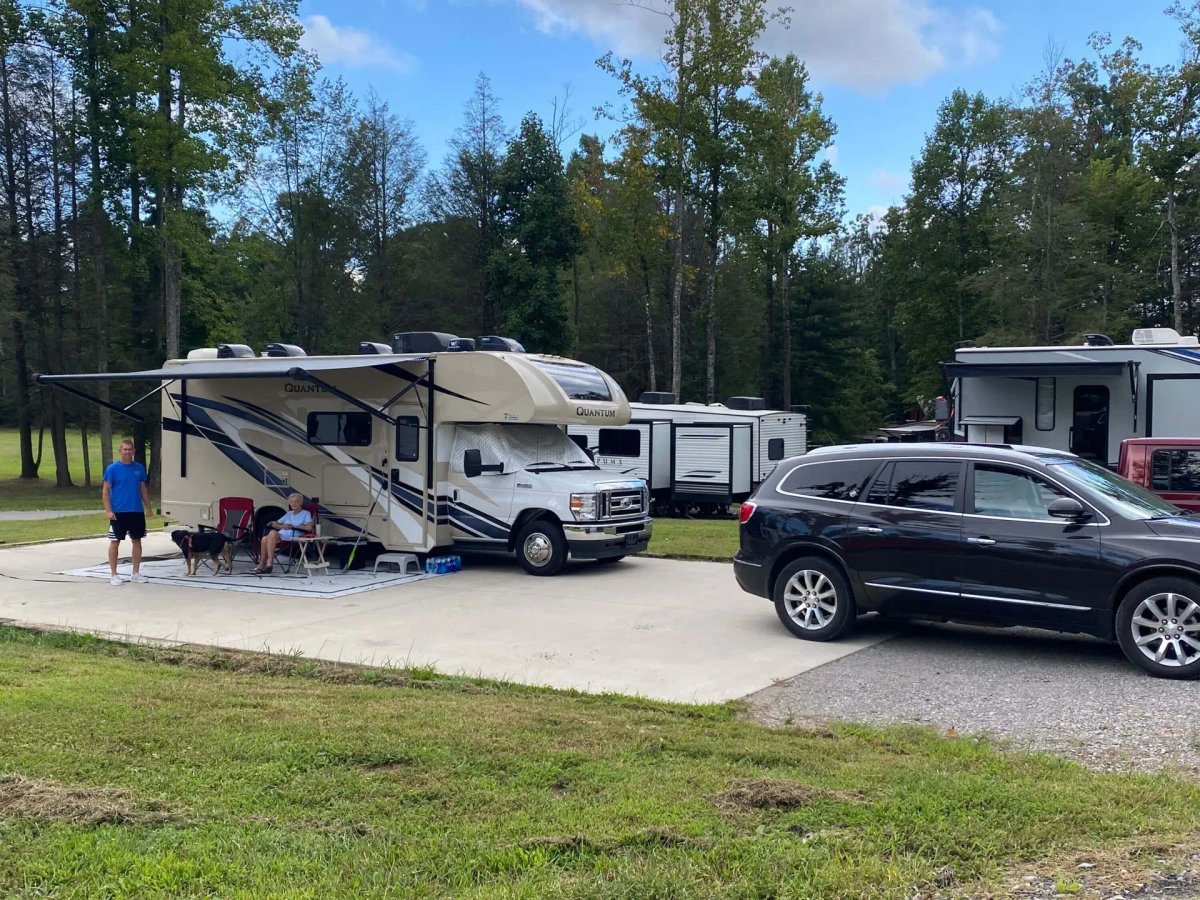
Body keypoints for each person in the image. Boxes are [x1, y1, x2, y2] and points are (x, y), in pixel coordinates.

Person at [103, 438, 153, 585]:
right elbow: (105, 491)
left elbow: (143, 489)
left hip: (136, 511)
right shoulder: (112, 469)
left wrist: (148, 508)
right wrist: (108, 510)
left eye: (129, 449)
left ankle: (136, 573)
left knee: (137, 541)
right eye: (124, 449)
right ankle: (113, 574)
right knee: (115, 541)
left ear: (133, 451)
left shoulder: (139, 468)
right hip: (118, 512)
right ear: (120, 451)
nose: (127, 452)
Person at [254, 493, 314, 574]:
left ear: (301, 503)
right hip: (281, 536)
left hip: (293, 537)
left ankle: (266, 564)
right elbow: (274, 524)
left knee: (266, 538)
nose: (293, 503)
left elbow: (310, 528)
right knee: (267, 536)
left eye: (296, 501)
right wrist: (283, 527)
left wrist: (296, 526)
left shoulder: (305, 513)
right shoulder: (289, 514)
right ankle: (266, 565)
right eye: (291, 501)